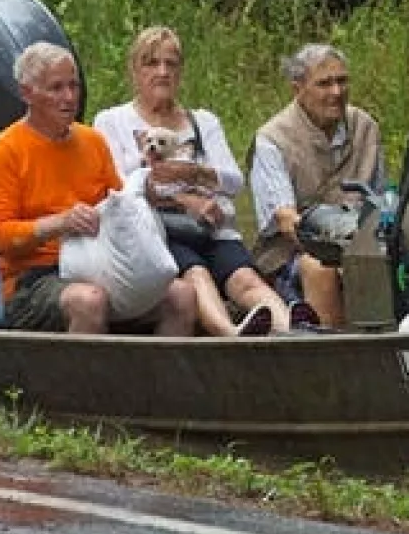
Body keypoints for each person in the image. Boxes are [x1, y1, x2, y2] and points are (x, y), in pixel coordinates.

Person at [93, 26, 309, 336]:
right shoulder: (111, 121)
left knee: (245, 278)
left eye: (171, 64)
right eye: (151, 63)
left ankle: (291, 326)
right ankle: (230, 334)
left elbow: (234, 182)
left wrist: (193, 174)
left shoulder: (203, 122)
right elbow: (116, 188)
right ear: (134, 71)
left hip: (213, 229)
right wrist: (184, 200)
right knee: (196, 274)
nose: (162, 72)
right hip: (158, 231)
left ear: (181, 71)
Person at [0, 41, 198, 334]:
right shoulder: (5, 150)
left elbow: (120, 202)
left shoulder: (92, 141)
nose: (69, 97)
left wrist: (151, 191)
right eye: (56, 88)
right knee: (89, 301)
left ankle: (157, 379)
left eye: (74, 86)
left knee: (182, 296)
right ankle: (85, 381)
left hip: (99, 264)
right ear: (27, 94)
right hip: (33, 278)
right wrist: (59, 223)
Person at [248, 44, 384, 329]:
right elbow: (285, 220)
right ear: (297, 89)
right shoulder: (272, 139)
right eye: (324, 84)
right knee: (319, 267)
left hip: (363, 242)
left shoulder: (366, 126)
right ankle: (334, 355)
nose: (336, 92)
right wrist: (336, 247)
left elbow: (380, 199)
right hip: (290, 254)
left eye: (342, 81)